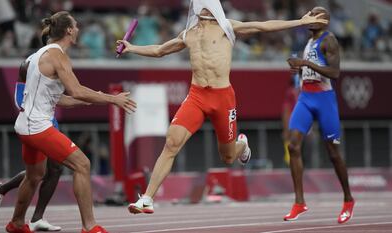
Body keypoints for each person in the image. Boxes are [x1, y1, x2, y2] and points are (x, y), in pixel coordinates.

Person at [116, 0, 327, 214]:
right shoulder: (188, 33)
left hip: (222, 98)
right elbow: (160, 50)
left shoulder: (227, 26)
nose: (207, 6)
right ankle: (148, 198)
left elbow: (263, 25)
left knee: (227, 156)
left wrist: (300, 22)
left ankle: (242, 145)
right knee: (171, 143)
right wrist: (133, 48)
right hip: (197, 96)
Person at [7, 11, 136, 233]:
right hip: (37, 126)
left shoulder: (37, 55)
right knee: (82, 164)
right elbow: (76, 90)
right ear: (68, 30)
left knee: (34, 175)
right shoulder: (58, 56)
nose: (78, 29)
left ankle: (16, 223)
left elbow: (60, 99)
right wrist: (111, 99)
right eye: (75, 26)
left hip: (26, 124)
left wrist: (88, 101)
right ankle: (89, 226)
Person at [0, 33, 88, 231]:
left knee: (53, 169)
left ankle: (36, 218)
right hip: (35, 122)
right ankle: (2, 189)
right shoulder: (29, 64)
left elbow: (58, 97)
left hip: (48, 120)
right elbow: (20, 98)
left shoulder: (58, 61)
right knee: (40, 172)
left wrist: (83, 100)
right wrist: (33, 116)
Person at [285, 6, 354, 224]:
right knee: (293, 145)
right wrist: (300, 70)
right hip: (306, 98)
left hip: (324, 101)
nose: (310, 18)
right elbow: (313, 69)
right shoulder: (308, 41)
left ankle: (348, 199)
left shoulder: (329, 40)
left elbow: (335, 73)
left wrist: (305, 63)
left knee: (333, 155)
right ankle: (299, 202)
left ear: (324, 21)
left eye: (315, 16)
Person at [281, 74, 300, 165]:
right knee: (291, 142)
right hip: (293, 121)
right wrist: (286, 127)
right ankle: (289, 160)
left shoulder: (299, 92)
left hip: (298, 121)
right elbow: (286, 110)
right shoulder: (291, 92)